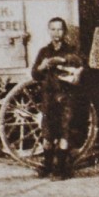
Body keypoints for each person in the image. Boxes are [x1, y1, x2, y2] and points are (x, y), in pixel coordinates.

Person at [31, 17, 85, 180]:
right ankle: (48, 164)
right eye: (53, 29)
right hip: (49, 95)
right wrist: (43, 66)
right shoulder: (44, 52)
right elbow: (35, 74)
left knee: (64, 131)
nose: (56, 33)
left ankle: (60, 167)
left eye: (60, 29)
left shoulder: (72, 49)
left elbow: (80, 63)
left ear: (65, 32)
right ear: (48, 31)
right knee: (47, 132)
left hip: (66, 95)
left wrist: (63, 61)